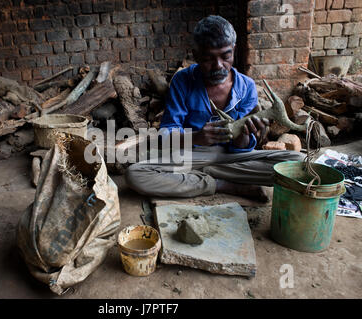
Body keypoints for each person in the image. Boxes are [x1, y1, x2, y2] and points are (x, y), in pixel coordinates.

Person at [125, 15, 304, 201]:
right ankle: (221, 184)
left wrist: (244, 134)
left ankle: (199, 176)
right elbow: (166, 134)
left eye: (226, 56)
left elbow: (240, 149)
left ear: (233, 51)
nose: (218, 66)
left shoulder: (247, 87)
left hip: (231, 159)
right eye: (208, 58)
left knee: (297, 162)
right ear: (195, 56)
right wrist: (197, 137)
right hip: (192, 155)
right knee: (135, 174)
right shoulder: (183, 81)